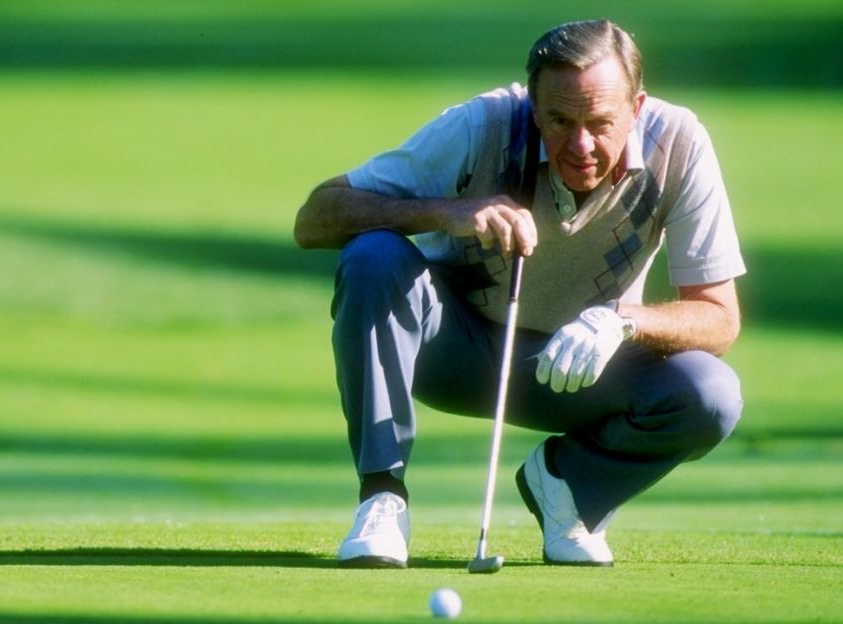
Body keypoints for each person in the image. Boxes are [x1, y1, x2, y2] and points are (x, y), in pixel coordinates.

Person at [293, 19, 745, 568]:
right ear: (533, 106)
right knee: (372, 257)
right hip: (454, 351)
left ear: (637, 106)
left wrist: (622, 320)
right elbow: (315, 219)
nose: (580, 145)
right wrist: (447, 212)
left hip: (585, 368)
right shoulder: (479, 125)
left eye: (601, 123)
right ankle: (382, 498)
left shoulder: (680, 142)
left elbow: (718, 317)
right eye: (559, 120)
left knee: (710, 393)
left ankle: (569, 489)